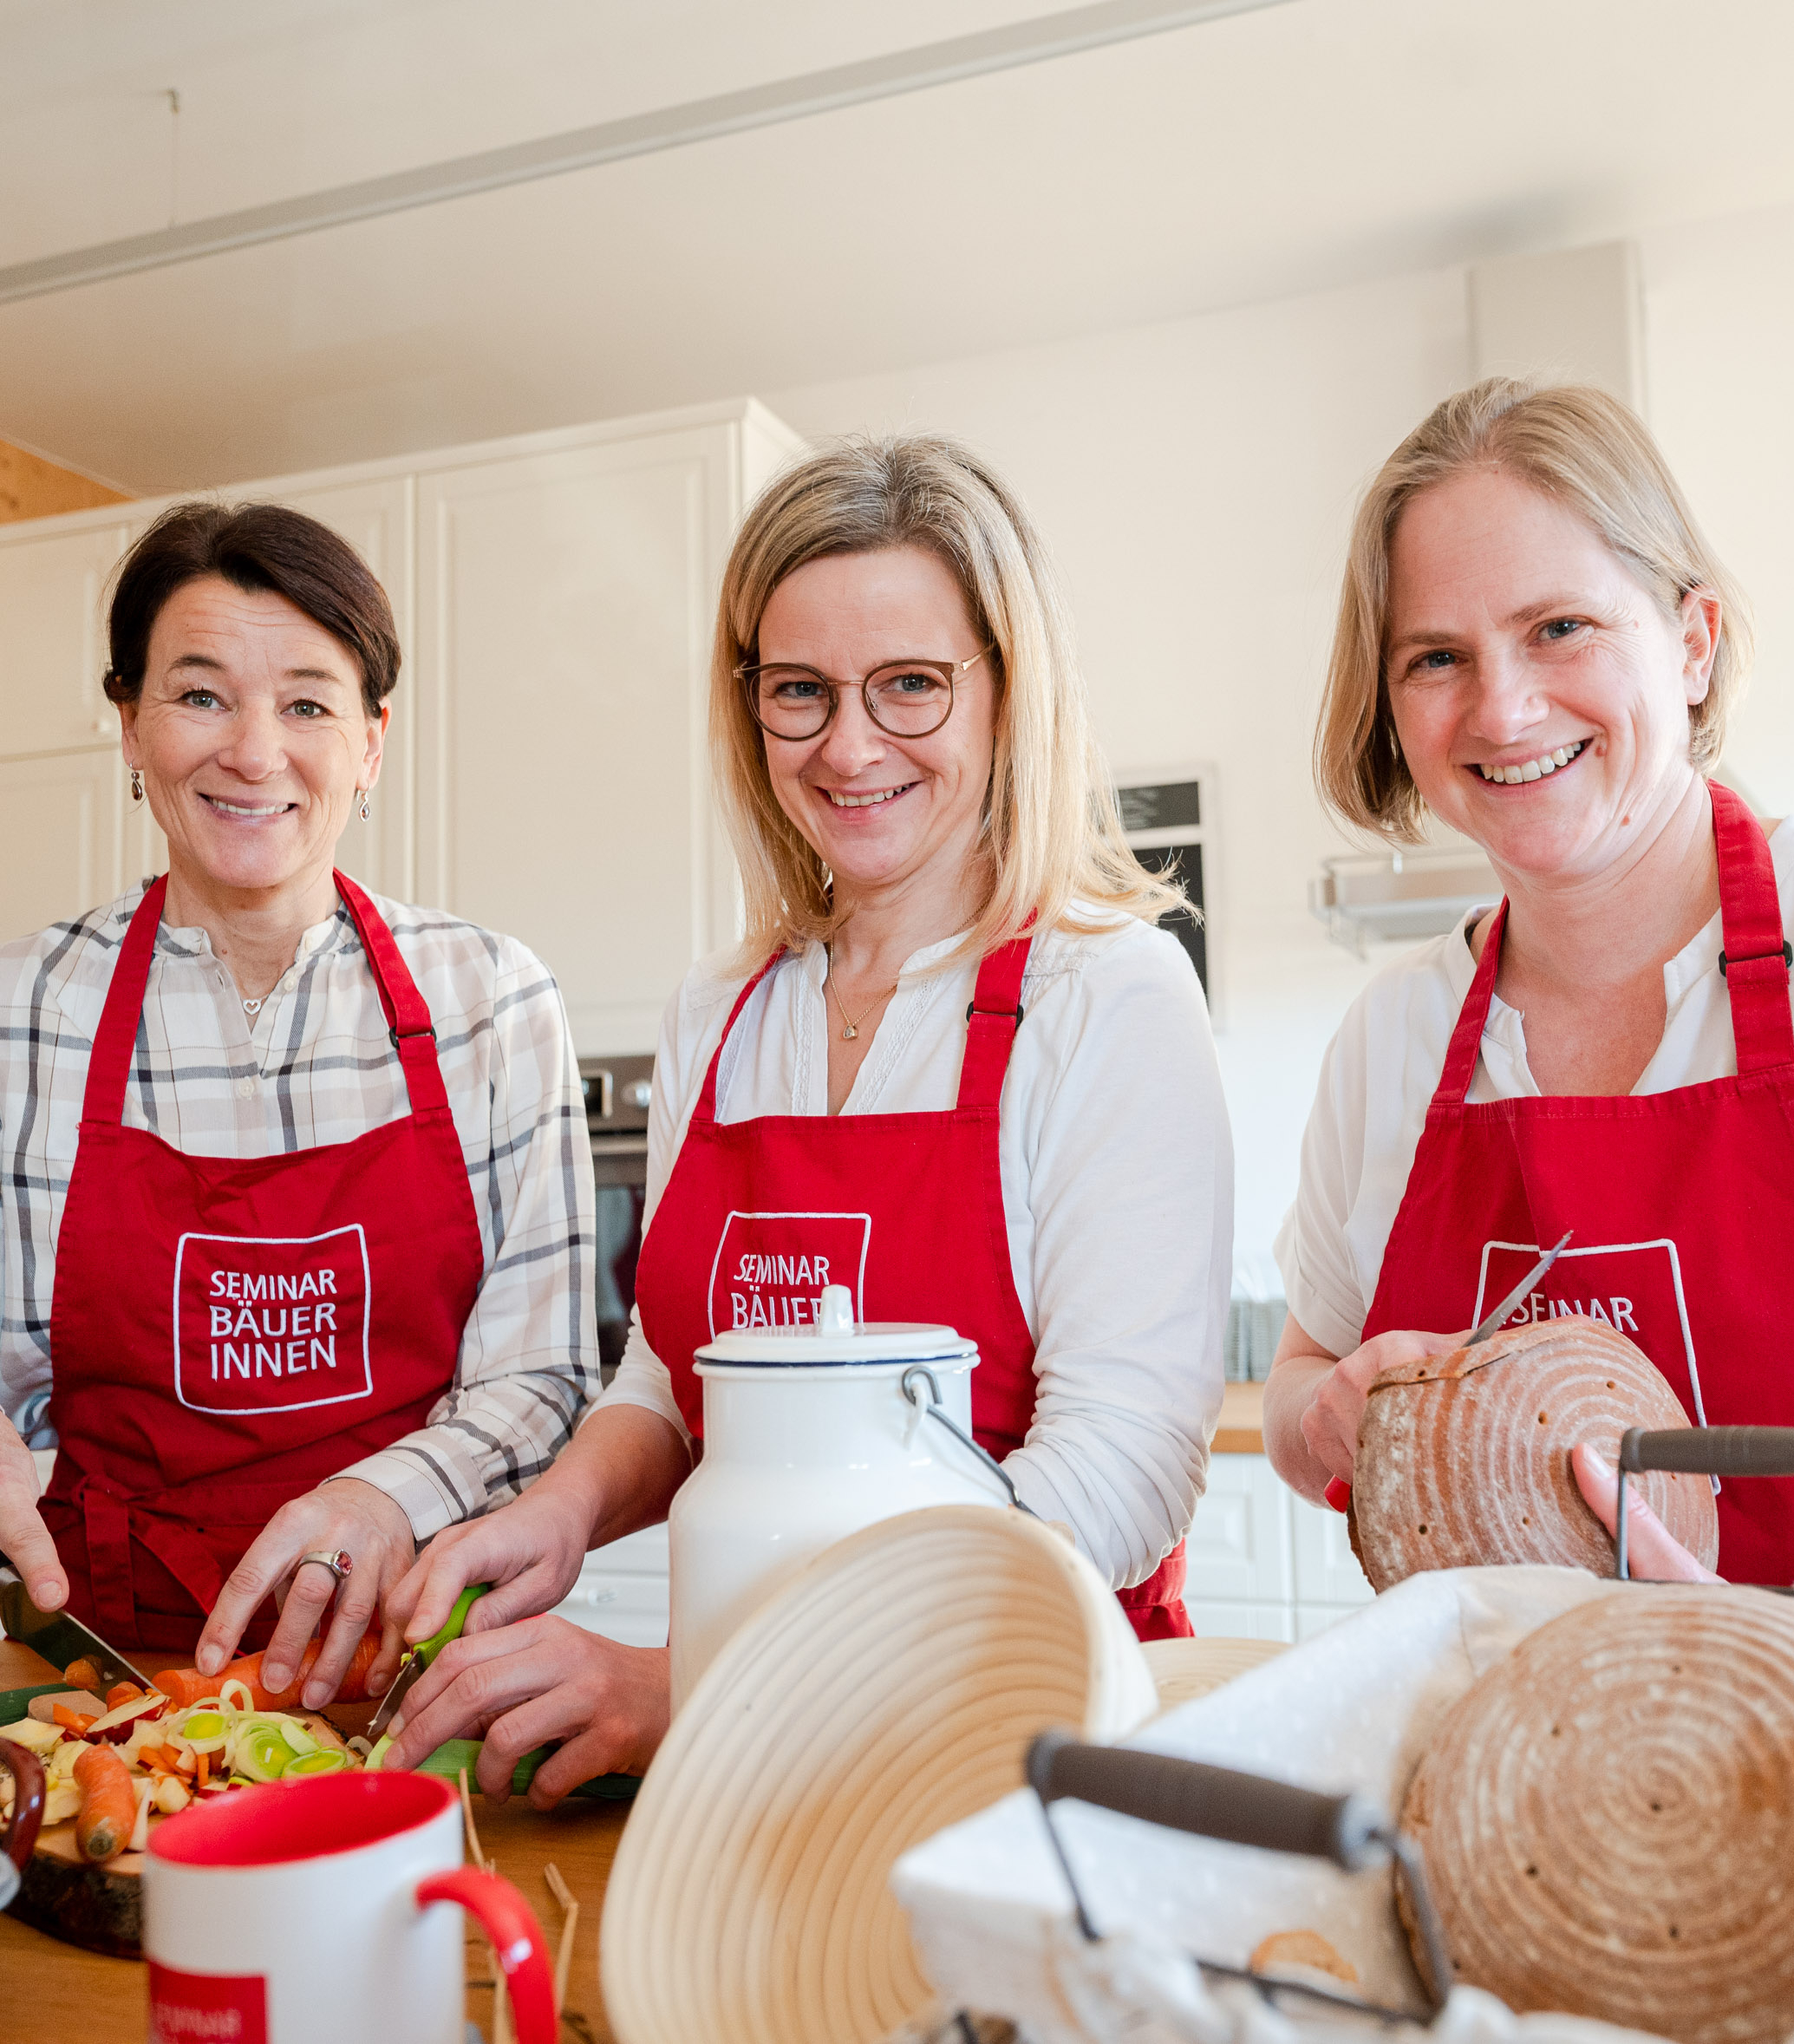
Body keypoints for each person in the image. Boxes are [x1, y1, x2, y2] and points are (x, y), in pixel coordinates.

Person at [379, 434, 1233, 1801]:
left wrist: (711, 1683)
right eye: (800, 691)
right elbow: (671, 1378)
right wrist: (557, 1511)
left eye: (909, 684)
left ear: (1006, 694)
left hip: (1015, 1752)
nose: (848, 745)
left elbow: (1116, 1479)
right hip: (739, 1775)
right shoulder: (720, 1010)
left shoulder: (1105, 993)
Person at [0, 502, 595, 1704]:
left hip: (419, 1671)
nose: (255, 752)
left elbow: (543, 1376)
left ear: (372, 744)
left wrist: (384, 1496)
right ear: (130, 725)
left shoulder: (491, 1000)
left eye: (309, 704)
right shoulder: (23, 1012)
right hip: (105, 1679)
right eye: (201, 695)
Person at [1264, 377, 1787, 1585]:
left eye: (1559, 627)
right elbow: (1299, 1386)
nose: (1500, 709)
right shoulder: (1391, 1039)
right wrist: (1326, 1415)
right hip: (1484, 1739)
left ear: (1692, 641)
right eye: (1436, 656)